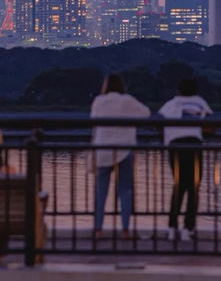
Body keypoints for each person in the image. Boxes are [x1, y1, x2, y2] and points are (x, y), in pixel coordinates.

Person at [91, 73, 150, 238]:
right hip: (124, 149)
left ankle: (98, 229)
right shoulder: (127, 100)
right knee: (125, 190)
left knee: (101, 191)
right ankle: (125, 229)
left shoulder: (99, 101)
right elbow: (146, 113)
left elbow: (93, 120)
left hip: (102, 149)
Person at [158, 77, 213, 241]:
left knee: (179, 186)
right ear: (196, 90)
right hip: (194, 144)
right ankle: (188, 229)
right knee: (193, 188)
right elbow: (210, 124)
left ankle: (171, 228)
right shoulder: (199, 102)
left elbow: (158, 122)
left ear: (179, 90)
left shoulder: (172, 103)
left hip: (175, 145)